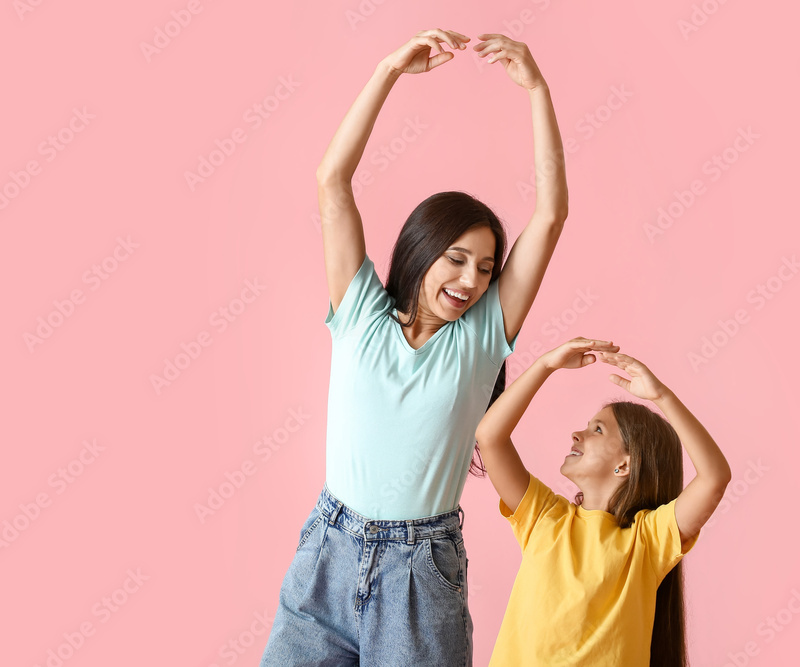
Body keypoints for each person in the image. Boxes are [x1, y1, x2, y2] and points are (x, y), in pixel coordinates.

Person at [260, 29, 568, 666]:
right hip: (328, 552)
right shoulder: (360, 314)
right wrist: (387, 72)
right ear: (423, 250)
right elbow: (331, 181)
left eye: (485, 268)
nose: (470, 281)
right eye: (456, 259)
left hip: (418, 573)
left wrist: (537, 89)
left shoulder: (481, 338)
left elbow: (550, 215)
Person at [474, 337, 732, 666]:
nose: (576, 435)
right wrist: (545, 365)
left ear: (625, 464)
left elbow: (714, 478)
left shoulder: (647, 541)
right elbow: (490, 436)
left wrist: (662, 396)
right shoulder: (544, 517)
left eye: (597, 430)